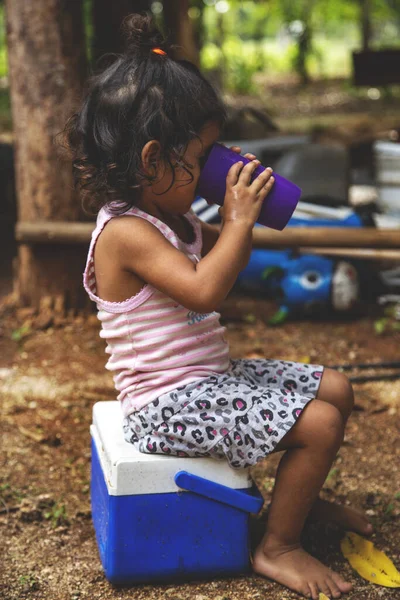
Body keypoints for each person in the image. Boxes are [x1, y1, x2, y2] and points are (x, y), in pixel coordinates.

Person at [63, 14, 372, 600]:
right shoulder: (126, 233)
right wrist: (235, 221)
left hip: (207, 380)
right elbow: (205, 288)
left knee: (336, 389)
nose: (213, 166)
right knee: (321, 423)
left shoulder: (168, 212)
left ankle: (296, 501)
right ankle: (277, 546)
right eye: (203, 155)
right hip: (165, 405)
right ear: (154, 160)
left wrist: (241, 211)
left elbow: (220, 258)